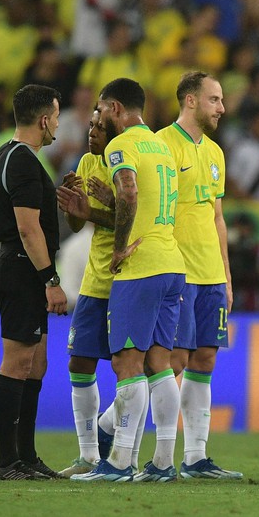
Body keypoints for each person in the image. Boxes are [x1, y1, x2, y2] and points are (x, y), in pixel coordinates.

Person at [71, 78, 185, 482]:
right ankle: (164, 462)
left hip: (141, 265)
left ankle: (119, 463)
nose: (98, 116)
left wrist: (119, 247)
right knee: (160, 364)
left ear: (116, 108)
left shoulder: (123, 145)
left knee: (126, 363)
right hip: (173, 262)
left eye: (101, 109)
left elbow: (131, 193)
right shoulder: (163, 145)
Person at [156, 71, 242, 480]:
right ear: (190, 101)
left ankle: (195, 457)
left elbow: (218, 218)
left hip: (209, 274)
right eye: (214, 100)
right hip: (176, 271)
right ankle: (115, 433)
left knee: (205, 358)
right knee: (173, 360)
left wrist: (226, 277)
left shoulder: (215, 153)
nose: (222, 108)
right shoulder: (162, 145)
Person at [0, 84, 68, 480]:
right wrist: (50, 279)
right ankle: (7, 462)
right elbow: (27, 227)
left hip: (20, 267)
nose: (58, 124)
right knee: (18, 363)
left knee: (36, 364)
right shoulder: (22, 160)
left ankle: (27, 456)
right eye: (56, 116)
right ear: (43, 119)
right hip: (23, 268)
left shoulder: (10, 154)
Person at [54, 108, 122, 477]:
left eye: (98, 127)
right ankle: (88, 456)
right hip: (95, 280)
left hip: (130, 277)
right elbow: (78, 223)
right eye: (90, 126)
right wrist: (73, 203)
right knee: (79, 361)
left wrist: (103, 207)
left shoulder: (127, 162)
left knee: (134, 368)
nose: (91, 132)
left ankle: (112, 434)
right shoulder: (86, 162)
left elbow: (134, 218)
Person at [228, 211, 259, 312]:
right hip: (235, 301)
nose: (241, 233)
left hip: (258, 302)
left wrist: (256, 265)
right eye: (237, 229)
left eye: (244, 229)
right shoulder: (228, 251)